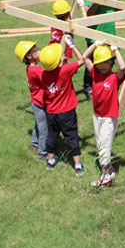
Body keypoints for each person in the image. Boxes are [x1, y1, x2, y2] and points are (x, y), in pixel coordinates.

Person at [39, 36, 87, 176]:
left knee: (52, 136)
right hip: (67, 112)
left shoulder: (44, 75)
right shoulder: (65, 70)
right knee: (72, 136)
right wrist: (72, 46)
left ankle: (51, 161)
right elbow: (81, 60)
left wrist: (62, 61)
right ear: (59, 63)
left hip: (51, 112)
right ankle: (77, 165)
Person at [83, 41, 125, 187]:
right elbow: (85, 57)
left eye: (105, 63)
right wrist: (95, 45)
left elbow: (123, 67)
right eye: (99, 63)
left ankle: (106, 176)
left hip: (109, 117)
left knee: (103, 151)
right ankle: (110, 169)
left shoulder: (115, 78)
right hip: (97, 115)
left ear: (111, 63)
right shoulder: (95, 73)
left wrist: (115, 50)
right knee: (99, 144)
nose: (101, 66)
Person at [83, 0, 122, 95]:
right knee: (94, 60)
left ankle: (106, 82)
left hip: (109, 32)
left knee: (108, 59)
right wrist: (98, 0)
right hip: (95, 35)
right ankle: (88, 84)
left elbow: (116, 11)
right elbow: (88, 14)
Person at [15, 40, 48, 159]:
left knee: (39, 124)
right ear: (29, 56)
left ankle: (34, 144)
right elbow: (47, 78)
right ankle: (43, 153)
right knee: (44, 128)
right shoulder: (36, 70)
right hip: (40, 103)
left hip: (36, 102)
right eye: (35, 51)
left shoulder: (30, 68)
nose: (39, 51)